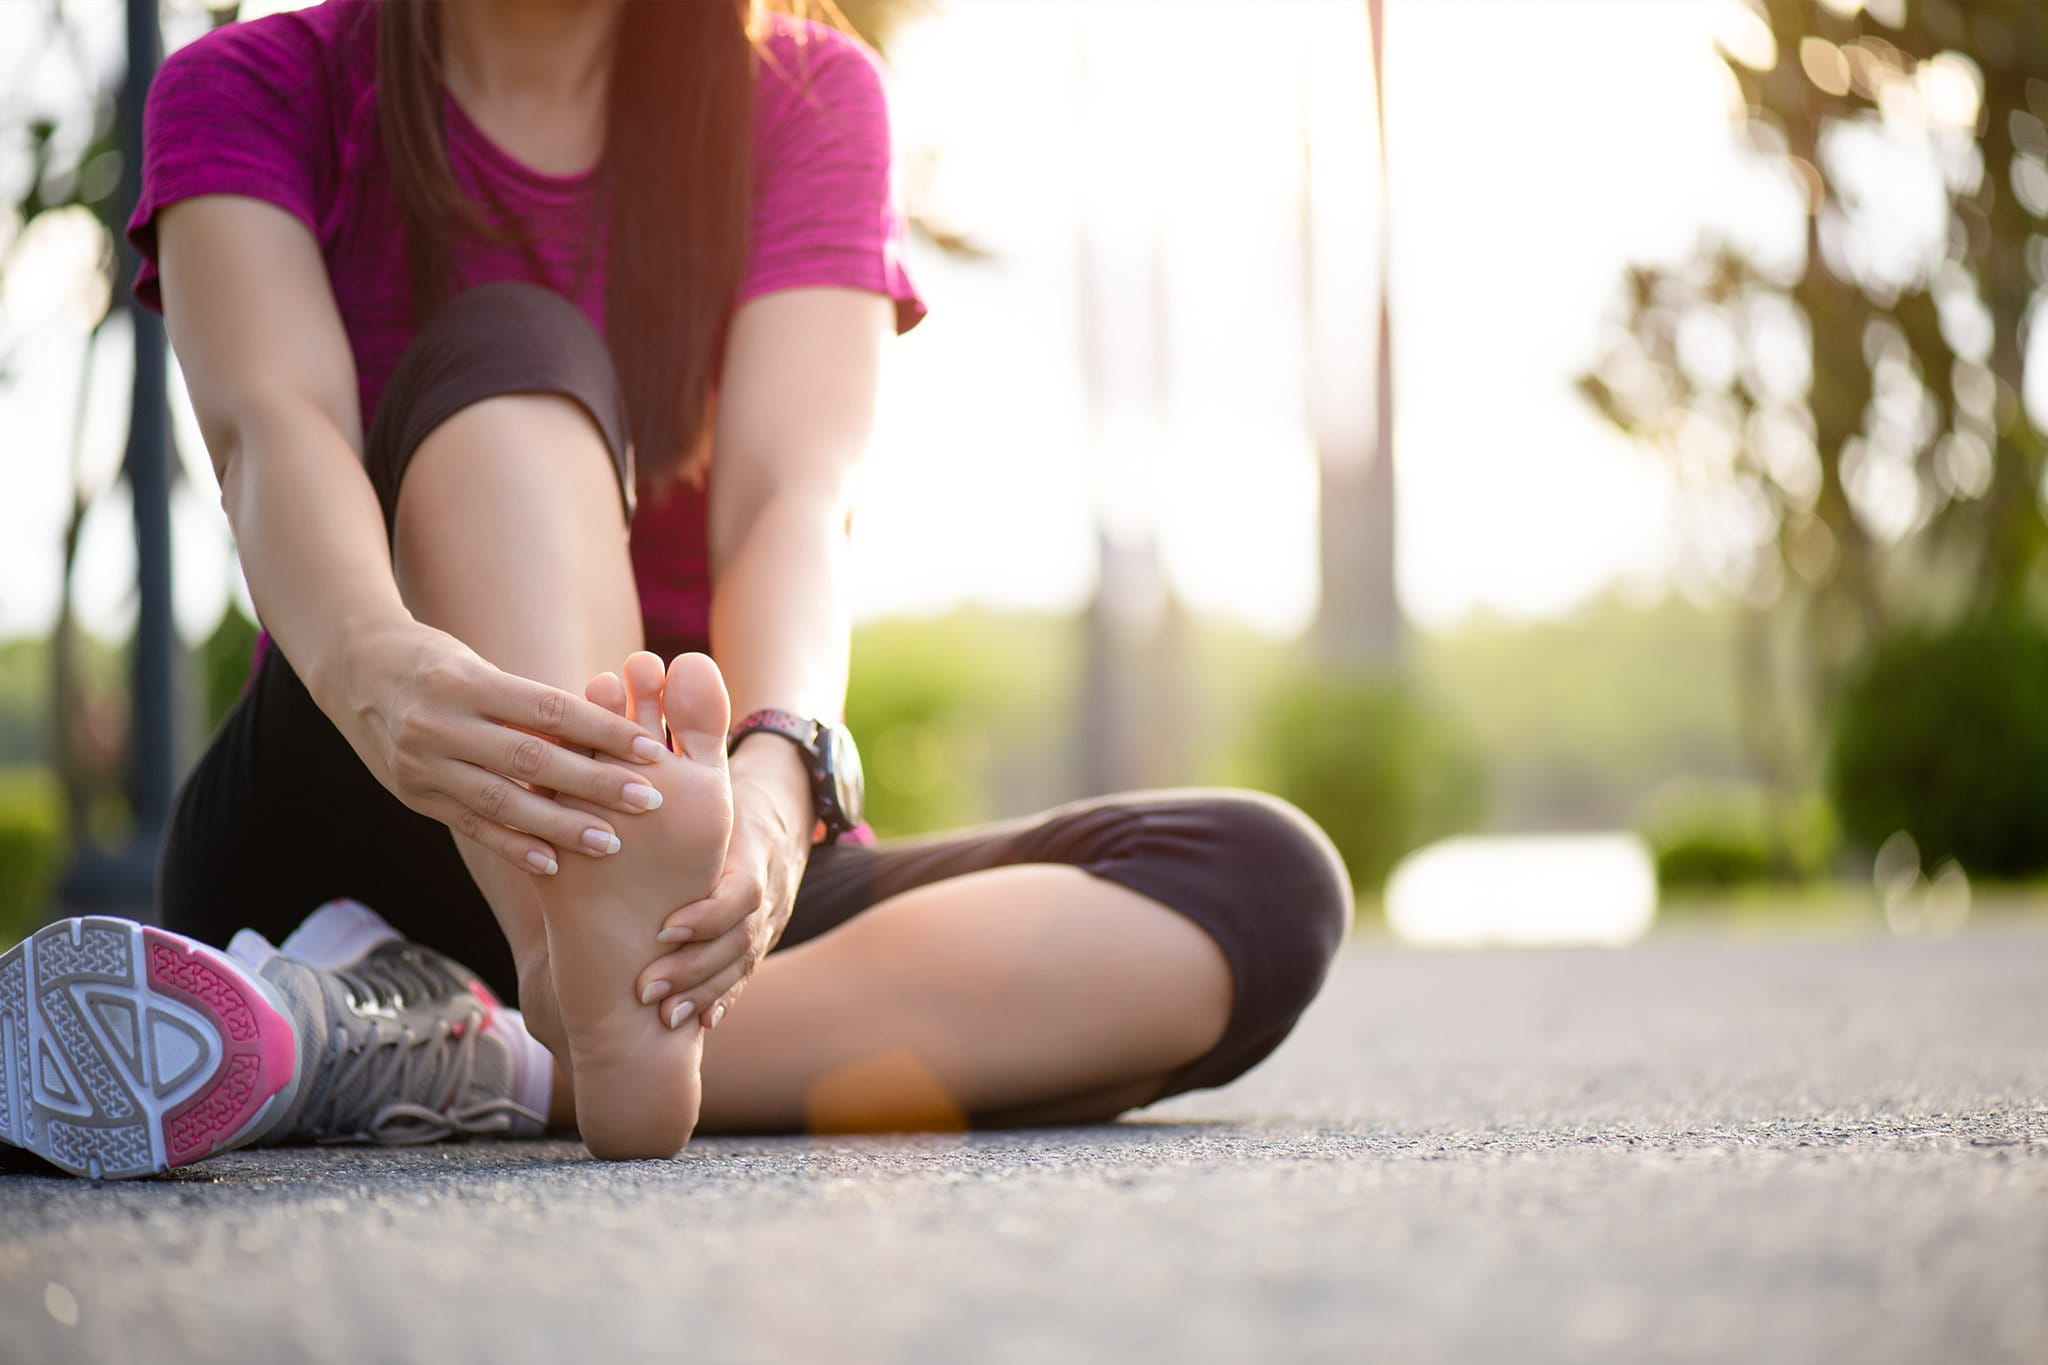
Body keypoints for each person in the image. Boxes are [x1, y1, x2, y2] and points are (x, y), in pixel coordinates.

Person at [0, 0, 1351, 1181]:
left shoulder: (807, 100)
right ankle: (572, 982)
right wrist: (384, 672)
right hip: (369, 782)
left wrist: (776, 784)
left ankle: (440, 1047)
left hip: (681, 853)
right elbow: (268, 432)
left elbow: (790, 499)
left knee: (1257, 886)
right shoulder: (250, 87)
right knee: (513, 351)